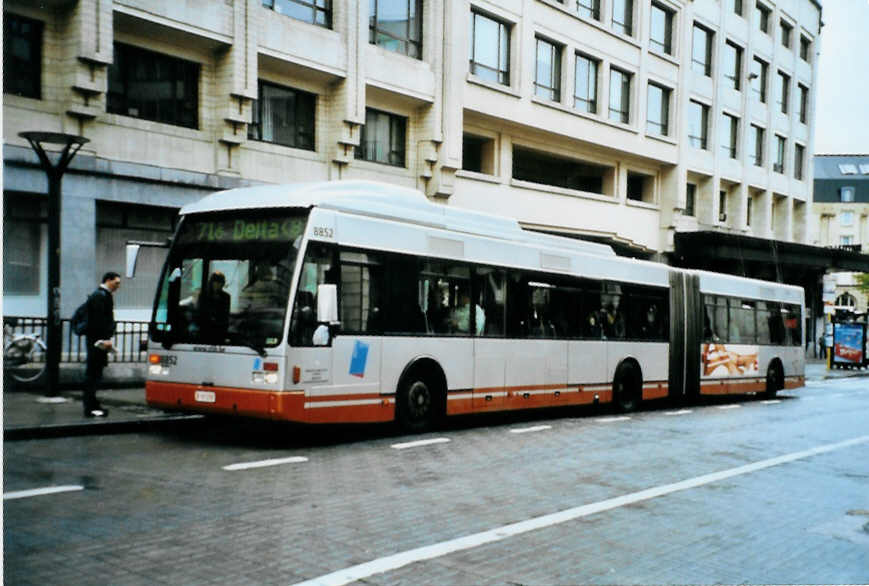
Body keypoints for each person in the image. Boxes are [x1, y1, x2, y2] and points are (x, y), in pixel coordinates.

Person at [82, 272, 121, 417]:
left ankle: (92, 404)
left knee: (94, 373)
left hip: (99, 341)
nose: (118, 286)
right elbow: (99, 320)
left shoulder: (101, 295)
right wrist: (105, 339)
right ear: (108, 280)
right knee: (93, 374)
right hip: (98, 342)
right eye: (116, 283)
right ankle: (90, 406)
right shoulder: (100, 296)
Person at [197, 271, 231, 341]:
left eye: (221, 283)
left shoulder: (226, 297)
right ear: (212, 283)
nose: (218, 285)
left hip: (220, 329)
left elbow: (225, 314)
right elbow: (201, 312)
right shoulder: (204, 296)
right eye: (216, 282)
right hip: (205, 329)